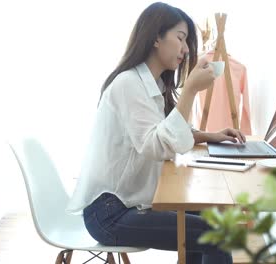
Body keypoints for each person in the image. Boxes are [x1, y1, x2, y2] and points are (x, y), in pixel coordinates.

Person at [66, 2, 245, 264]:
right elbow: (157, 145)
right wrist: (190, 91)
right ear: (156, 38)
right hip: (110, 214)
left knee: (207, 214)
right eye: (181, 38)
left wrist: (210, 136)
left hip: (129, 201)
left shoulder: (151, 84)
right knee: (215, 234)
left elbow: (160, 131)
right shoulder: (128, 84)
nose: (185, 49)